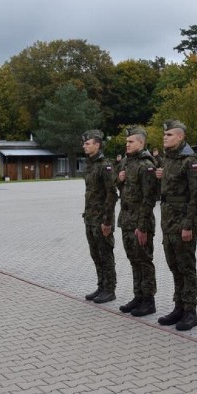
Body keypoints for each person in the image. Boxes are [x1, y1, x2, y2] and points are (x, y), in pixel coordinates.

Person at [155, 120, 197, 330]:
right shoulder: (169, 160)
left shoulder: (189, 161)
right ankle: (179, 307)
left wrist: (188, 225)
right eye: (164, 134)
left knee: (186, 267)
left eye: (169, 135)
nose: (165, 137)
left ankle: (190, 311)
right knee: (174, 267)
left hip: (183, 223)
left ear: (180, 137)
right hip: (168, 222)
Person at [116, 127, 159, 315]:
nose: (127, 144)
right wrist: (119, 179)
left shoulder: (146, 164)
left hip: (141, 222)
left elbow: (149, 198)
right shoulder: (126, 162)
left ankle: (149, 300)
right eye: (126, 142)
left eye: (131, 141)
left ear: (141, 143)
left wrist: (142, 226)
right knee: (133, 259)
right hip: (126, 220)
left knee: (144, 260)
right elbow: (121, 189)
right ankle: (138, 295)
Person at [81, 130, 118, 304]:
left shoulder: (105, 165)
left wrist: (107, 221)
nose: (84, 146)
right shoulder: (90, 164)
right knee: (95, 254)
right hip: (90, 218)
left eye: (88, 143)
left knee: (105, 254)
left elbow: (112, 195)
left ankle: (110, 289)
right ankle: (101, 285)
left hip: (101, 220)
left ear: (97, 145)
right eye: (84, 143)